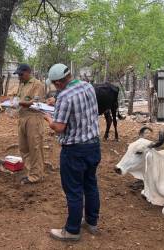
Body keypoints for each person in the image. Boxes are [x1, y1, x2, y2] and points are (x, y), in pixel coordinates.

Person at [43, 63, 101, 241]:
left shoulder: (65, 96)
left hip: (74, 150)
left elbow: (59, 127)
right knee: (90, 185)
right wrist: (57, 101)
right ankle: (91, 222)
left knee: (74, 190)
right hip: (93, 146)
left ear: (59, 83)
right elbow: (82, 109)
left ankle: (72, 230)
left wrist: (48, 119)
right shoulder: (88, 86)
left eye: (54, 84)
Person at [14, 63, 45, 184]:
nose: (19, 77)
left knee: (35, 147)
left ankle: (36, 175)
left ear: (28, 72)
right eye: (18, 75)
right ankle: (30, 171)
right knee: (23, 147)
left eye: (21, 74)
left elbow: (36, 102)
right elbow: (19, 98)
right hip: (22, 117)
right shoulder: (22, 84)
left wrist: (21, 103)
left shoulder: (37, 84)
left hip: (33, 118)